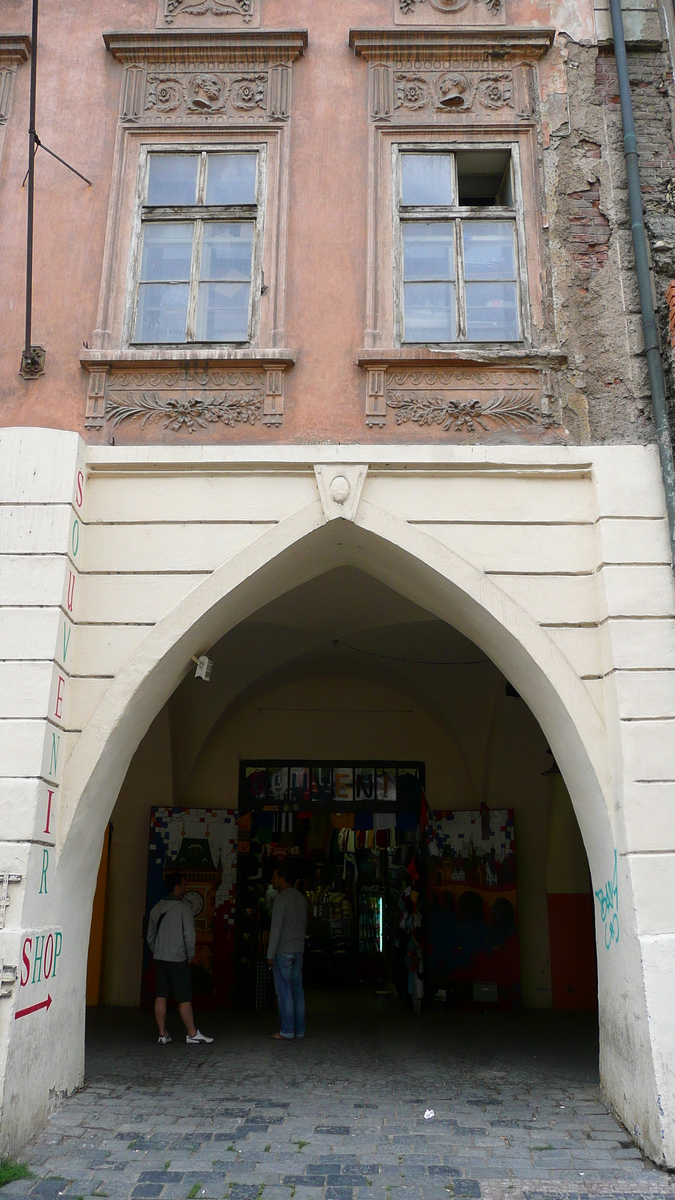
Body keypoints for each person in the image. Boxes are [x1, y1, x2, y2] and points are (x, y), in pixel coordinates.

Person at [147, 872, 213, 1045]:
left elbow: (150, 935)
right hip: (178, 959)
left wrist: (158, 950)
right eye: (184, 884)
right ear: (177, 887)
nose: (186, 888)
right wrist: (189, 956)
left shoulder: (157, 907)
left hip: (160, 957)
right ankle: (192, 1033)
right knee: (184, 997)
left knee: (160, 995)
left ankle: (162, 1034)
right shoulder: (184, 908)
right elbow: (190, 936)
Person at [266, 861, 307, 1040]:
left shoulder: (281, 899)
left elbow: (276, 929)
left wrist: (269, 954)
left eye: (275, 877)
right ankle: (300, 1029)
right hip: (298, 949)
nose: (272, 880)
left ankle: (287, 1031)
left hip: (283, 951)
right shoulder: (301, 898)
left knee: (285, 991)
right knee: (297, 990)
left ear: (282, 879)